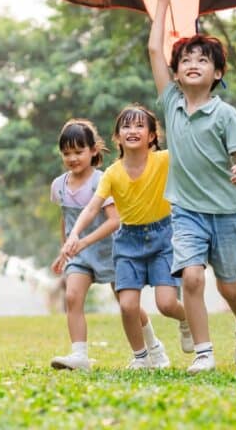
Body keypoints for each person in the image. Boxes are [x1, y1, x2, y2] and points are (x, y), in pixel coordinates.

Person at [146, 0, 236, 373]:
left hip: (225, 212)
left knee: (228, 286)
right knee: (191, 279)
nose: (193, 64)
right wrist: (162, 3)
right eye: (186, 60)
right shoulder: (171, 104)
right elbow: (154, 51)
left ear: (218, 73)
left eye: (203, 60)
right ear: (176, 74)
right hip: (187, 211)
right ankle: (206, 352)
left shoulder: (227, 115)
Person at [49, 119, 161, 371]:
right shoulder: (59, 186)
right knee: (73, 296)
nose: (73, 158)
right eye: (67, 153)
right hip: (79, 255)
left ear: (94, 151)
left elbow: (114, 221)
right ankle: (79, 355)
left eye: (79, 151)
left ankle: (153, 347)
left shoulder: (104, 180)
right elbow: (65, 220)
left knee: (127, 306)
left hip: (111, 251)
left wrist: (84, 240)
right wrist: (64, 249)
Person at [90, 105, 192, 369]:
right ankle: (140, 357)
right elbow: (93, 207)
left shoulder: (164, 159)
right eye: (126, 126)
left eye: (139, 126)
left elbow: (190, 142)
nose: (132, 131)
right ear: (117, 136)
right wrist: (76, 235)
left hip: (163, 238)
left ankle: (187, 320)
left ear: (151, 136)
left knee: (168, 304)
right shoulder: (112, 173)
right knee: (127, 306)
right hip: (127, 242)